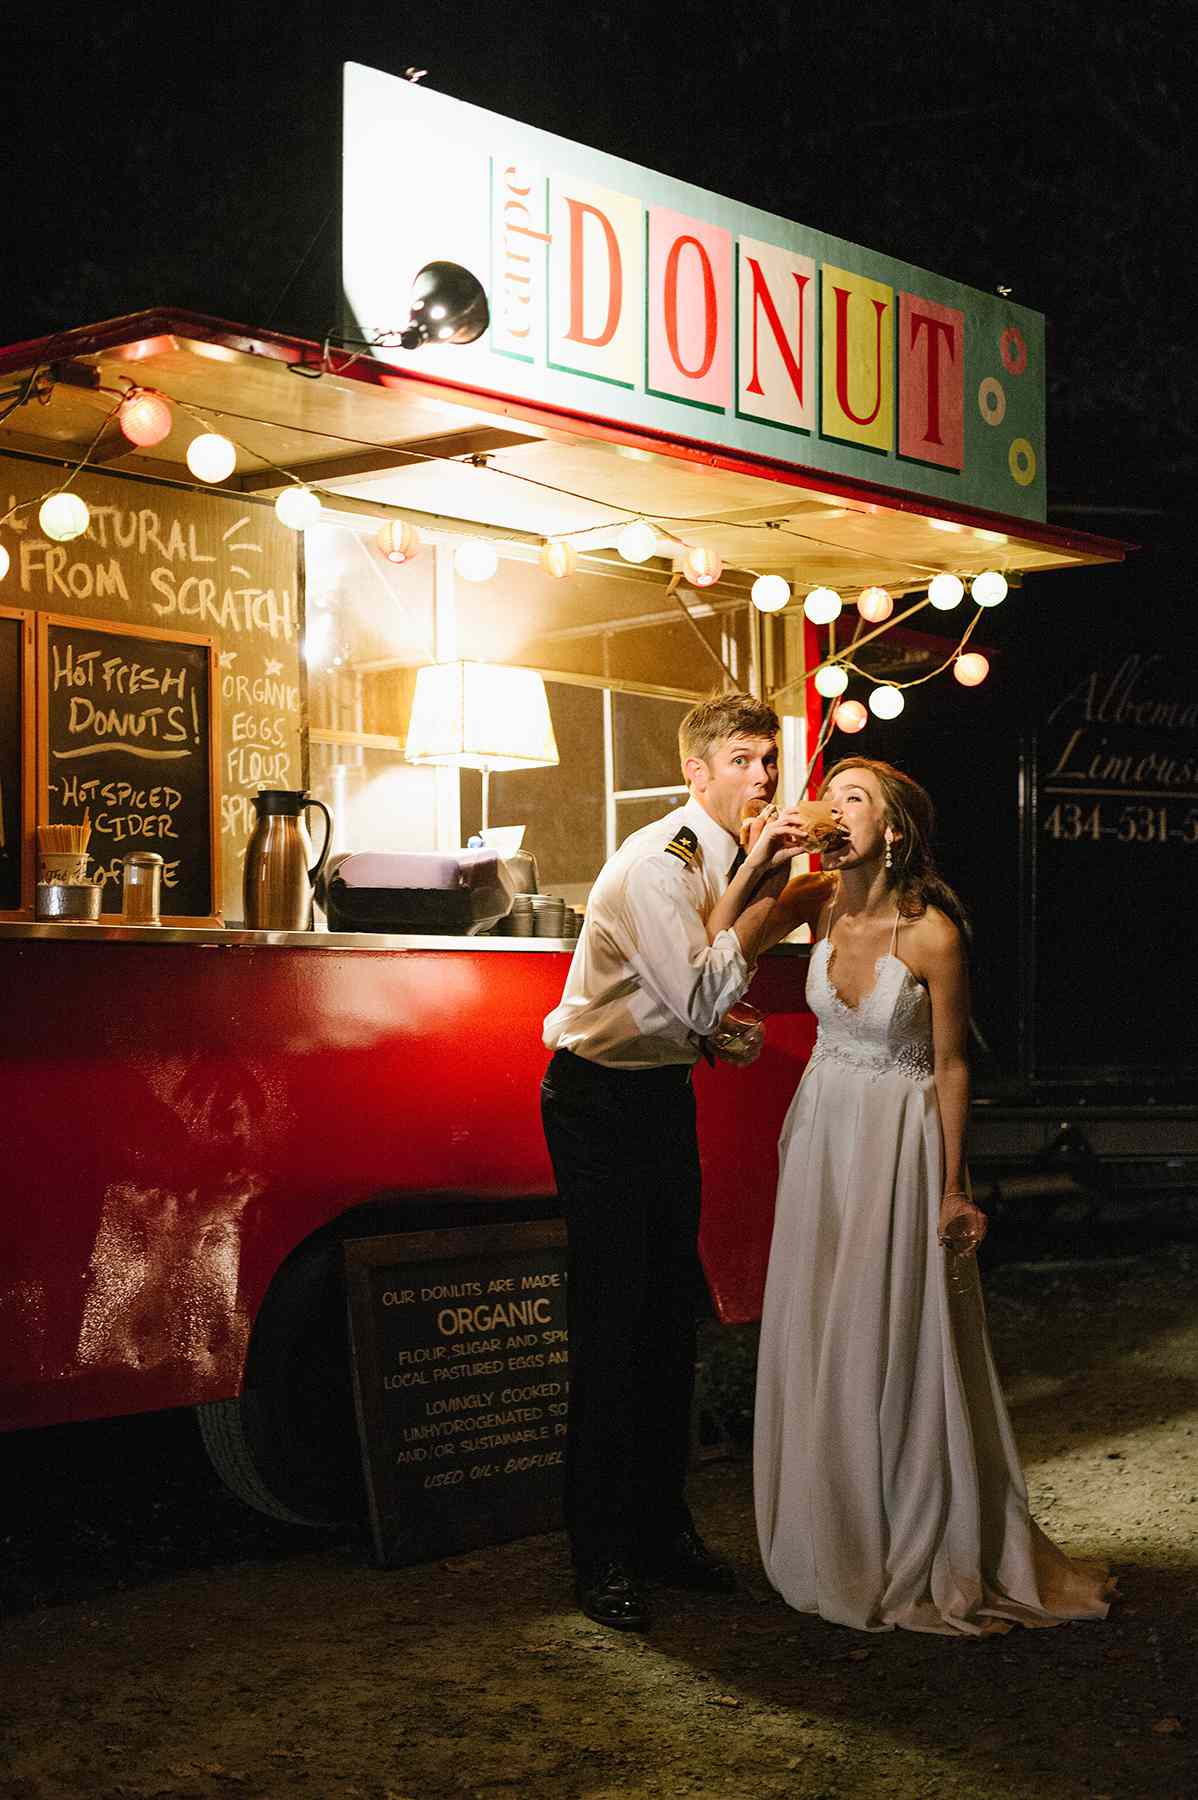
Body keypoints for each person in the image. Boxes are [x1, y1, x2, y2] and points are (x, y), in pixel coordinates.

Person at [709, 755, 1114, 1636]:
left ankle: (913, 1523)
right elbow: (717, 955)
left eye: (853, 798)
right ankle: (830, 1522)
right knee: (823, 1313)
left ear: (892, 830)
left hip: (899, 1139)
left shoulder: (932, 932)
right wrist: (759, 865)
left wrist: (954, 1184)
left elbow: (953, 1064)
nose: (832, 808)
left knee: (892, 1317)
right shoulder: (814, 901)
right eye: (832, 794)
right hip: (822, 1131)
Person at [540, 691, 817, 1631]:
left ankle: (663, 1530)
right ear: (696, 772)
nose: (763, 778)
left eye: (769, 762)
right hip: (596, 1103)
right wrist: (764, 913)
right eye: (743, 761)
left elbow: (689, 1009)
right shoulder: (663, 863)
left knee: (673, 1316)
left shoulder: (732, 858)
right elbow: (699, 989)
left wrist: (719, 1034)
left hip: (658, 1094)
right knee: (613, 1323)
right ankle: (601, 1557)